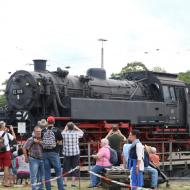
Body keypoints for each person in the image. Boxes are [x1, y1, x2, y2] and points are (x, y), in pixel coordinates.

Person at [41, 116, 64, 190]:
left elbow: (42, 142)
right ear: (54, 122)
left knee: (47, 172)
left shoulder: (43, 130)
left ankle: (48, 188)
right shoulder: (57, 130)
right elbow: (60, 142)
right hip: (54, 153)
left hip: (44, 153)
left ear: (47, 122)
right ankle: (60, 188)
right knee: (58, 171)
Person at [62, 122, 84, 187]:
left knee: (66, 168)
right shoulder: (76, 133)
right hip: (75, 153)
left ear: (67, 127)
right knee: (75, 167)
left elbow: (62, 133)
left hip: (67, 153)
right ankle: (73, 183)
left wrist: (65, 128)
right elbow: (82, 132)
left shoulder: (64, 133)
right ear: (73, 127)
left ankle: (65, 183)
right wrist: (76, 127)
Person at [23, 126, 44, 190]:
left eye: (40, 132)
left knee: (42, 176)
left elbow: (47, 147)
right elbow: (24, 147)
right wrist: (26, 157)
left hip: (43, 159)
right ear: (34, 132)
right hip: (33, 159)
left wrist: (39, 142)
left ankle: (41, 188)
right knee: (33, 176)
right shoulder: (30, 139)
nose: (39, 133)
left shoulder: (43, 138)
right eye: (37, 132)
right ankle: (34, 188)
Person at [0, 121, 16, 187]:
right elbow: (14, 138)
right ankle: (6, 182)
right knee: (6, 167)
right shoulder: (7, 134)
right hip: (6, 151)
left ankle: (3, 181)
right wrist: (12, 130)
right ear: (3, 126)